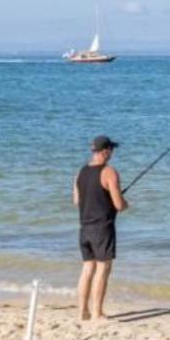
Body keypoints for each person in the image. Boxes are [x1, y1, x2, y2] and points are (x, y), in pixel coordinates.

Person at [72, 134, 128, 321]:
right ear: (105, 151)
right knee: (103, 269)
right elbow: (119, 204)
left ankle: (82, 312)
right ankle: (97, 313)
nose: (112, 152)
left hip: (84, 228)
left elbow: (76, 201)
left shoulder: (80, 172)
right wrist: (125, 204)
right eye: (111, 149)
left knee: (87, 269)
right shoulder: (109, 172)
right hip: (102, 229)